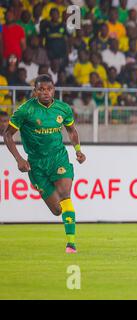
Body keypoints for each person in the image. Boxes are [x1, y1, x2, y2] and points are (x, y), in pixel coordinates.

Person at [3, 74, 86, 254]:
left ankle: (71, 244)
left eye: (48, 89)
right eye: (41, 89)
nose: (45, 93)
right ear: (35, 91)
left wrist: (78, 150)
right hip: (36, 164)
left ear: (53, 90)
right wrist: (19, 159)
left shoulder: (63, 109)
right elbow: (7, 134)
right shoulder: (25, 110)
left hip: (58, 157)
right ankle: (68, 231)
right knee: (57, 210)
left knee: (65, 194)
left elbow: (71, 130)